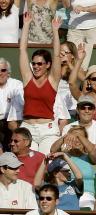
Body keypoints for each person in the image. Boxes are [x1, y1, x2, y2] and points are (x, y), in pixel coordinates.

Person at [19, 13, 62, 154]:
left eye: (39, 63)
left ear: (48, 65)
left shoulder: (53, 80)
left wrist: (55, 31)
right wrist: (26, 25)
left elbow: (56, 54)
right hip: (27, 128)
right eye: (34, 63)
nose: (36, 66)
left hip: (47, 129)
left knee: (45, 162)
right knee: (26, 163)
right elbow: (22, 50)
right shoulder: (27, 78)